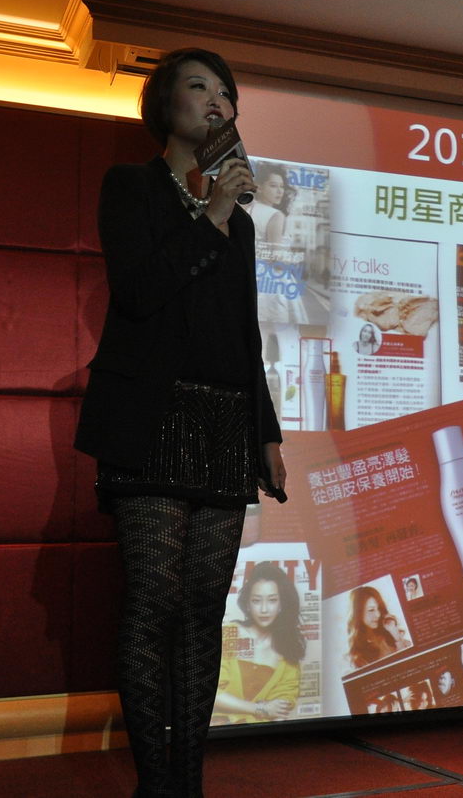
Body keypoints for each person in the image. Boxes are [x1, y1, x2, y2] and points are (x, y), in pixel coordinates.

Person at [73, 47, 287, 798]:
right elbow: (138, 292)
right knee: (154, 601)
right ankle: (153, 783)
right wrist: (213, 212)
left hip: (226, 421)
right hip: (150, 415)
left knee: (201, 610)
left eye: (226, 92)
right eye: (199, 87)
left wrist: (267, 433)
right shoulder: (131, 187)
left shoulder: (244, 227)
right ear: (165, 105)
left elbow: (243, 335)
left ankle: (187, 784)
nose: (217, 100)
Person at [213, 564, 306, 725]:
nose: (264, 609)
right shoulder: (229, 633)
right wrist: (260, 709)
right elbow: (210, 693)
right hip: (217, 729)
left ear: (281, 605)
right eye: (256, 601)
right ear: (248, 604)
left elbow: (280, 708)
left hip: (256, 733)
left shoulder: (288, 652)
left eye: (272, 600)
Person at [345, 585, 399, 670]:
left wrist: (396, 636)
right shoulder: (355, 654)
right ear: (358, 613)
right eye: (371, 610)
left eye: (378, 608)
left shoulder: (388, 633)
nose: (378, 615)